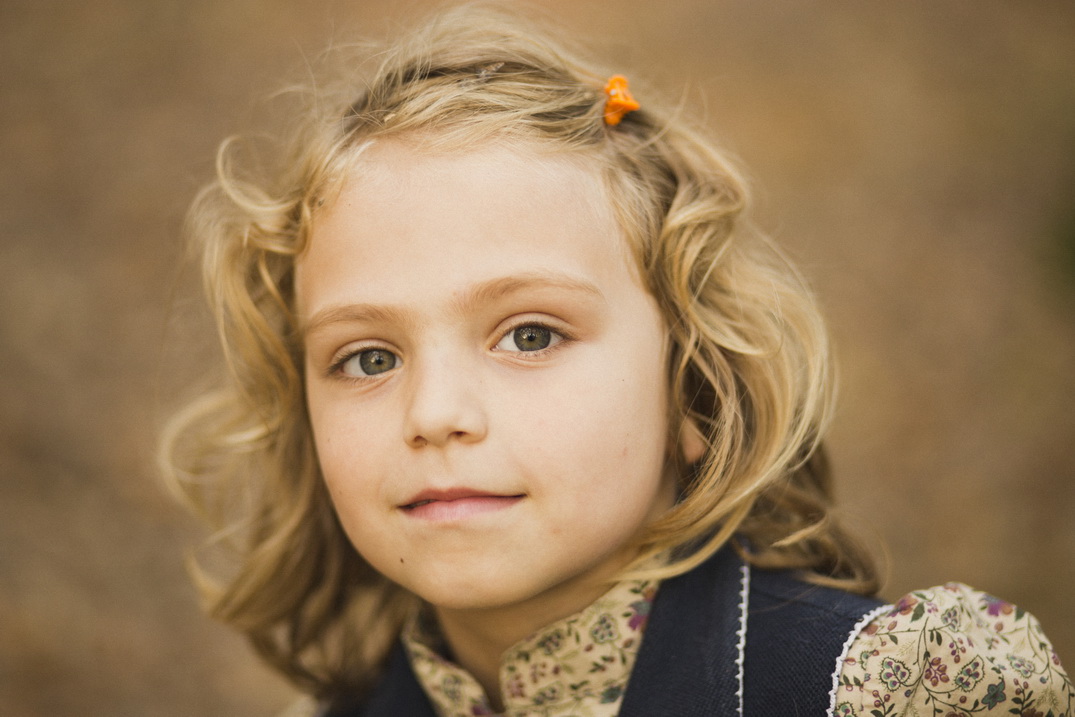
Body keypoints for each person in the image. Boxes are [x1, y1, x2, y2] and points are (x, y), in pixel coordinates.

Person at [162, 6, 1072, 716]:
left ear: (691, 385)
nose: (433, 412)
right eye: (366, 357)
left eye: (529, 335)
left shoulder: (880, 692)